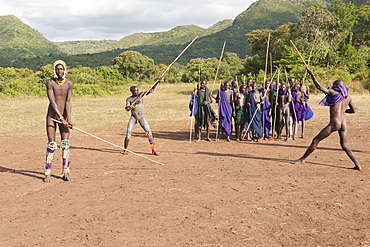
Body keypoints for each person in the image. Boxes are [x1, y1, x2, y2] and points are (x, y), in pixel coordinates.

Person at [295, 68, 362, 171]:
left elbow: (319, 87)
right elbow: (353, 110)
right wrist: (343, 112)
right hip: (343, 123)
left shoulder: (334, 93)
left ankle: (302, 159)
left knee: (315, 140)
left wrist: (312, 74)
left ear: (336, 86)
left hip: (335, 123)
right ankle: (358, 165)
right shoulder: (347, 97)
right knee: (344, 145)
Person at [44, 60, 74, 182]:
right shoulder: (50, 82)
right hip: (52, 116)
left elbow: (68, 102)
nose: (59, 71)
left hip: (64, 117)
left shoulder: (69, 83)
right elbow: (52, 102)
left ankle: (65, 171)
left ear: (65, 70)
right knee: (51, 145)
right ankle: (47, 172)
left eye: (61, 69)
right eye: (57, 69)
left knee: (65, 145)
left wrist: (68, 119)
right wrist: (61, 118)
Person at [123, 76, 164, 155]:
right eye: (135, 91)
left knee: (149, 132)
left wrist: (157, 82)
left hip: (141, 117)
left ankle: (154, 150)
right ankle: (125, 149)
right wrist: (133, 105)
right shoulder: (129, 99)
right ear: (132, 91)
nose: (137, 92)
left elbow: (151, 90)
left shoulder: (141, 95)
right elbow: (127, 108)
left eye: (137, 90)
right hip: (133, 117)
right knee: (128, 133)